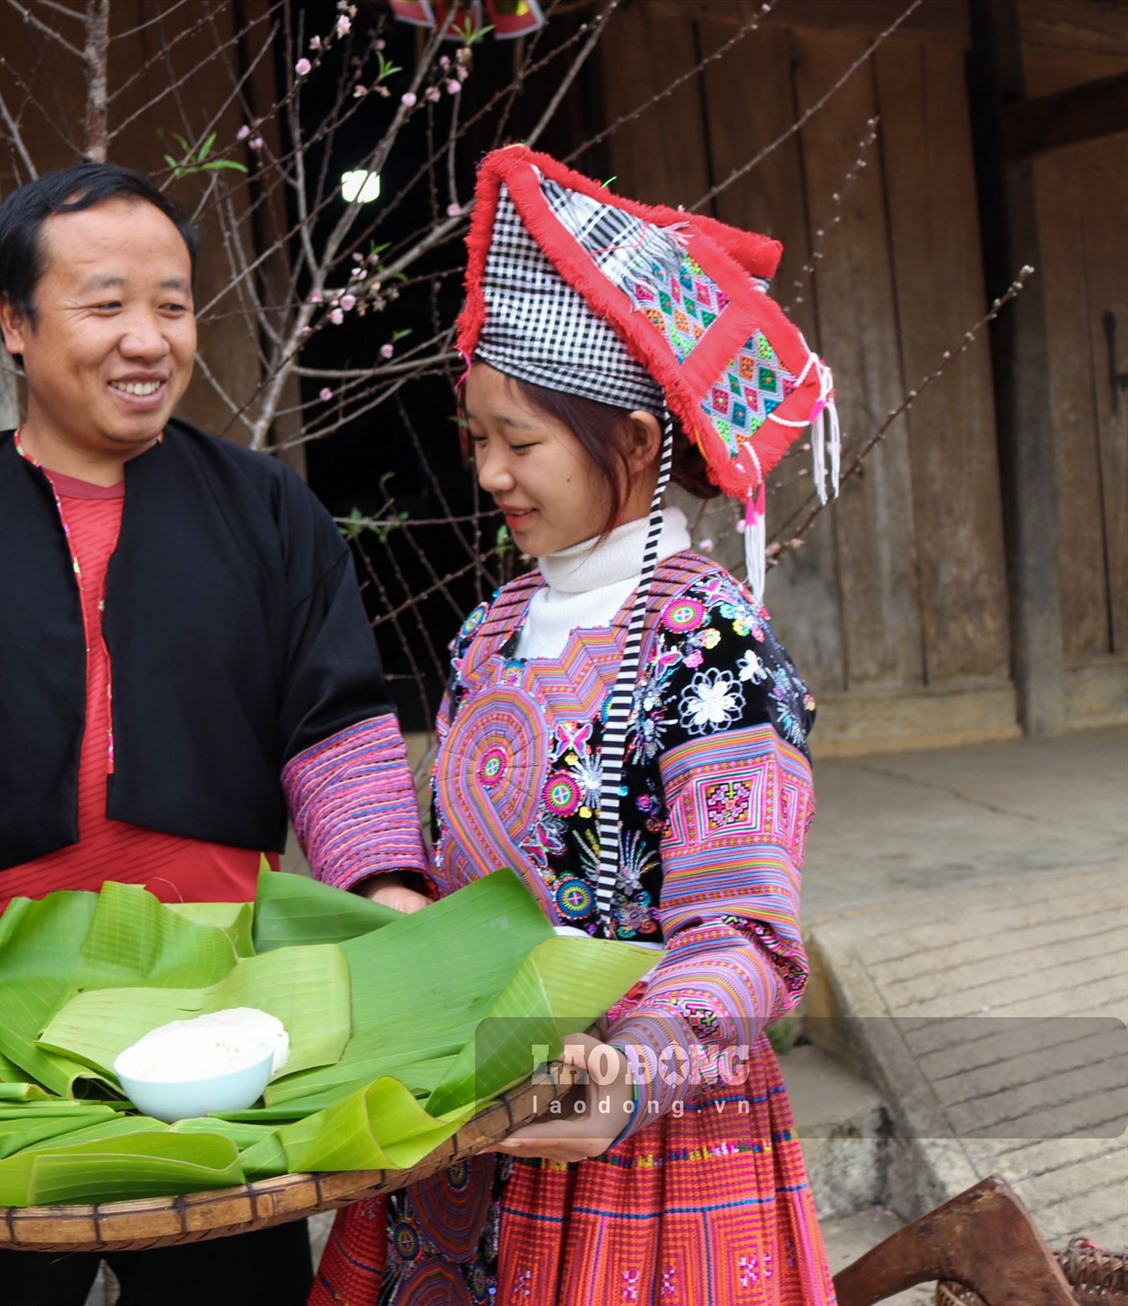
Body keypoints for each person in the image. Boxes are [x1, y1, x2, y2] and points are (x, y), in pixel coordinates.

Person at [0, 162, 430, 1303]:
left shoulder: (267, 510)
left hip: (225, 1028)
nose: (148, 339)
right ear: (15, 323)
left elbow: (334, 726)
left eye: (173, 304)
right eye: (105, 305)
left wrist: (384, 893)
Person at [312, 146, 840, 1305]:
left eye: (521, 441)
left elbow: (746, 939)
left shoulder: (711, 649)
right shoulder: (490, 625)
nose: (491, 473)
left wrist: (630, 1069)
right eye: (478, 440)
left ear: (636, 445)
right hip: (466, 1140)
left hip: (641, 1154)